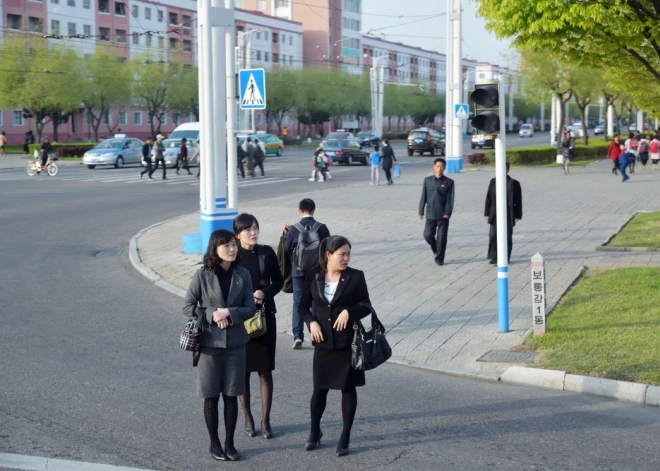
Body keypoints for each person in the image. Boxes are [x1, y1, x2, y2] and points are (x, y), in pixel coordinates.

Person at [182, 229, 256, 462]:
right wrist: (212, 314)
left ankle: (230, 444)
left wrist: (229, 312)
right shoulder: (202, 275)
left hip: (235, 345)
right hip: (209, 345)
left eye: (234, 244)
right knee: (211, 396)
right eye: (226, 246)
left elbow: (250, 309)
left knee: (232, 395)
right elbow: (188, 306)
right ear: (215, 249)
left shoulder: (243, 274)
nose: (232, 249)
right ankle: (214, 444)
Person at [299, 235, 372, 457]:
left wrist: (350, 312)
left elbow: (366, 305)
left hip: (346, 343)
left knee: (347, 390)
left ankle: (345, 436)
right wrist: (311, 322)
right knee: (319, 390)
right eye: (342, 254)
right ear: (328, 255)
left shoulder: (356, 277)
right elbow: (302, 306)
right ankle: (314, 432)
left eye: (349, 253)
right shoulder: (313, 276)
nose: (346, 258)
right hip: (323, 343)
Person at [233, 214, 284, 440]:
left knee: (265, 371)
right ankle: (248, 417)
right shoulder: (232, 255)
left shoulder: (266, 252)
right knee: (243, 372)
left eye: (255, 228)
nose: (252, 233)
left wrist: (264, 293)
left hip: (265, 317)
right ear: (237, 234)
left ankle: (266, 419)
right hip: (241, 320)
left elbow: (279, 282)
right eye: (247, 230)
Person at [283, 198, 331, 349]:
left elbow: (285, 249)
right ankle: (316, 334)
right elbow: (329, 249)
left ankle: (298, 336)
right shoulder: (322, 228)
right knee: (317, 301)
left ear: (299, 211)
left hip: (298, 271)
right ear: (314, 210)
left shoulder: (294, 228)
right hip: (317, 271)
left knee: (298, 303)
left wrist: (285, 235)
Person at [484, 163, 523, 264]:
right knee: (493, 234)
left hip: (508, 212)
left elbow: (518, 200)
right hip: (495, 212)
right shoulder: (493, 182)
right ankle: (494, 256)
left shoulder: (514, 183)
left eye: (504, 169)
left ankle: (505, 257)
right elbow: (488, 198)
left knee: (507, 235)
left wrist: (518, 214)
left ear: (508, 170)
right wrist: (487, 212)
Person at [418, 158, 455, 266]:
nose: (439, 168)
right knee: (428, 235)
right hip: (430, 214)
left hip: (443, 215)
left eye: (441, 166)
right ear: (434, 167)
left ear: (444, 168)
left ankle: (439, 258)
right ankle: (436, 250)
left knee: (441, 238)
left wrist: (447, 213)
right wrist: (421, 211)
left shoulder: (449, 182)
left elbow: (450, 200)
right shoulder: (427, 180)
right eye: (437, 166)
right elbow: (423, 196)